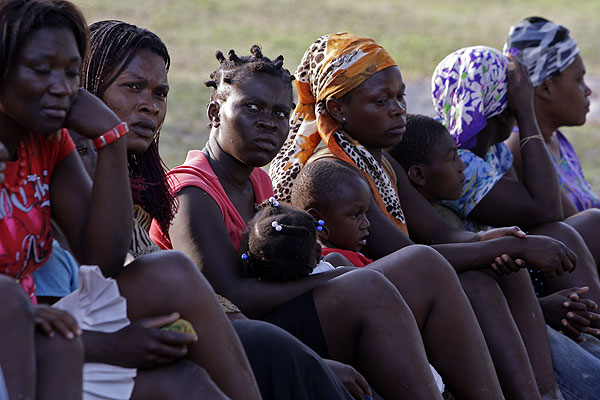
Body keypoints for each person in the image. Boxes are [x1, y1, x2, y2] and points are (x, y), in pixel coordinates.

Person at [149, 43, 505, 400]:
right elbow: (232, 297)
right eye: (252, 107)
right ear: (215, 111)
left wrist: (330, 268)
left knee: (424, 266)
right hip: (240, 336)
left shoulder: (257, 180)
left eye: (280, 113)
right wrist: (335, 280)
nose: (267, 122)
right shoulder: (190, 193)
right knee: (368, 287)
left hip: (273, 314)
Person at [269, 33, 575, 399]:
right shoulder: (337, 172)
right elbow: (405, 254)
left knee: (500, 261)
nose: (398, 110)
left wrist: (492, 241)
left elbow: (437, 234)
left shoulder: (380, 158)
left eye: (399, 96)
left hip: (395, 284)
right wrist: (507, 247)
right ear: (338, 109)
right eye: (381, 101)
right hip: (364, 296)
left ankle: (543, 392)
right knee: (479, 277)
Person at [76, 19, 355, 400]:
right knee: (281, 343)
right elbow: (125, 270)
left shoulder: (144, 176)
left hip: (185, 314)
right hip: (96, 322)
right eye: (132, 87)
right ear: (87, 87)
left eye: (160, 94)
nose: (150, 105)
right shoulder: (173, 187)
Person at [0, 2, 264, 399]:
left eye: (71, 73)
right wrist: (105, 345)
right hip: (23, 330)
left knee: (176, 296)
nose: (61, 87)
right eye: (41, 70)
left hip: (40, 326)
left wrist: (111, 139)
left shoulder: (48, 141)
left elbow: (101, 260)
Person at [391, 112, 600, 398]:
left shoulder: (443, 211)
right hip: (491, 325)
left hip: (521, 313)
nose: (463, 166)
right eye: (453, 158)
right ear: (417, 175)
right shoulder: (427, 221)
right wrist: (540, 308)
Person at [431, 45, 600, 328]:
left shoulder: (493, 149)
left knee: (586, 225)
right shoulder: (459, 159)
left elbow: (549, 212)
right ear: (502, 109)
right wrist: (528, 115)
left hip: (505, 263)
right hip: (485, 276)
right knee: (565, 230)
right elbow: (546, 212)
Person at [503, 17, 600, 279]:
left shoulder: (558, 142)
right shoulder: (522, 150)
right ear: (545, 87)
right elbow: (578, 227)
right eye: (579, 80)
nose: (588, 90)